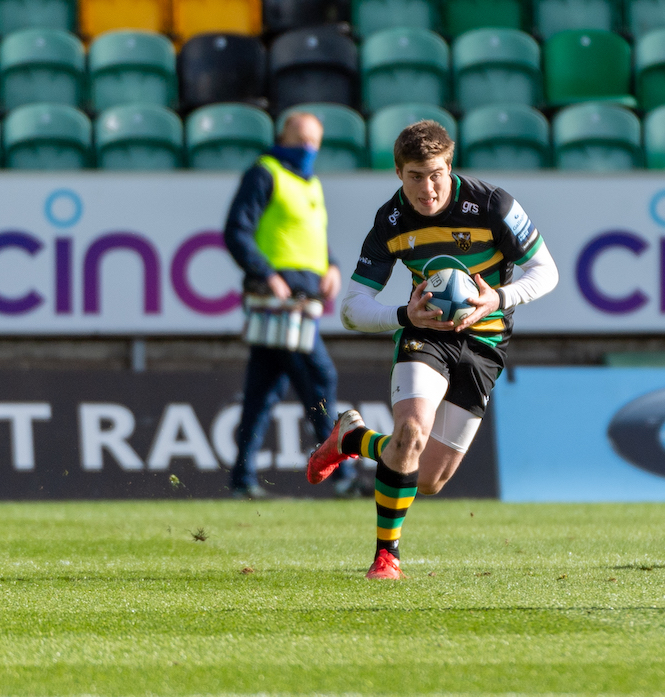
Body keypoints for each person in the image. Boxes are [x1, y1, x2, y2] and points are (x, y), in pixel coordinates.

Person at [302, 120, 559, 580]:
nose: (428, 189)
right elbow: (352, 309)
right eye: (416, 176)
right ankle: (387, 556)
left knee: (428, 478)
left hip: (485, 342)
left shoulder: (492, 205)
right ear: (398, 173)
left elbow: (546, 271)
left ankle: (353, 438)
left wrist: (499, 298)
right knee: (411, 432)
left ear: (450, 166)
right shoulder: (391, 220)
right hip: (426, 335)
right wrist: (406, 315)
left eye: (436, 174)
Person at [221, 111, 346, 499]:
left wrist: (332, 265)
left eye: (314, 142)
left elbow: (310, 236)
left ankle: (242, 480)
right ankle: (341, 474)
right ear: (282, 136)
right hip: (281, 304)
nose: (308, 148)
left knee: (262, 391)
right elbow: (237, 231)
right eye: (301, 139)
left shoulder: (311, 184)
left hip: (304, 302)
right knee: (320, 377)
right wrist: (267, 274)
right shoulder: (265, 173)